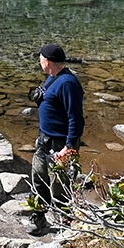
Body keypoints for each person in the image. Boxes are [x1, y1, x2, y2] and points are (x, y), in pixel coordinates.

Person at [29, 43, 85, 230]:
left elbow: (75, 118)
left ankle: (66, 226)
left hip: (60, 144)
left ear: (47, 61)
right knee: (39, 180)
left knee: (61, 186)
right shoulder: (53, 77)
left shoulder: (68, 83)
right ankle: (38, 219)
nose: (40, 62)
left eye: (40, 59)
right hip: (44, 141)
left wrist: (68, 148)